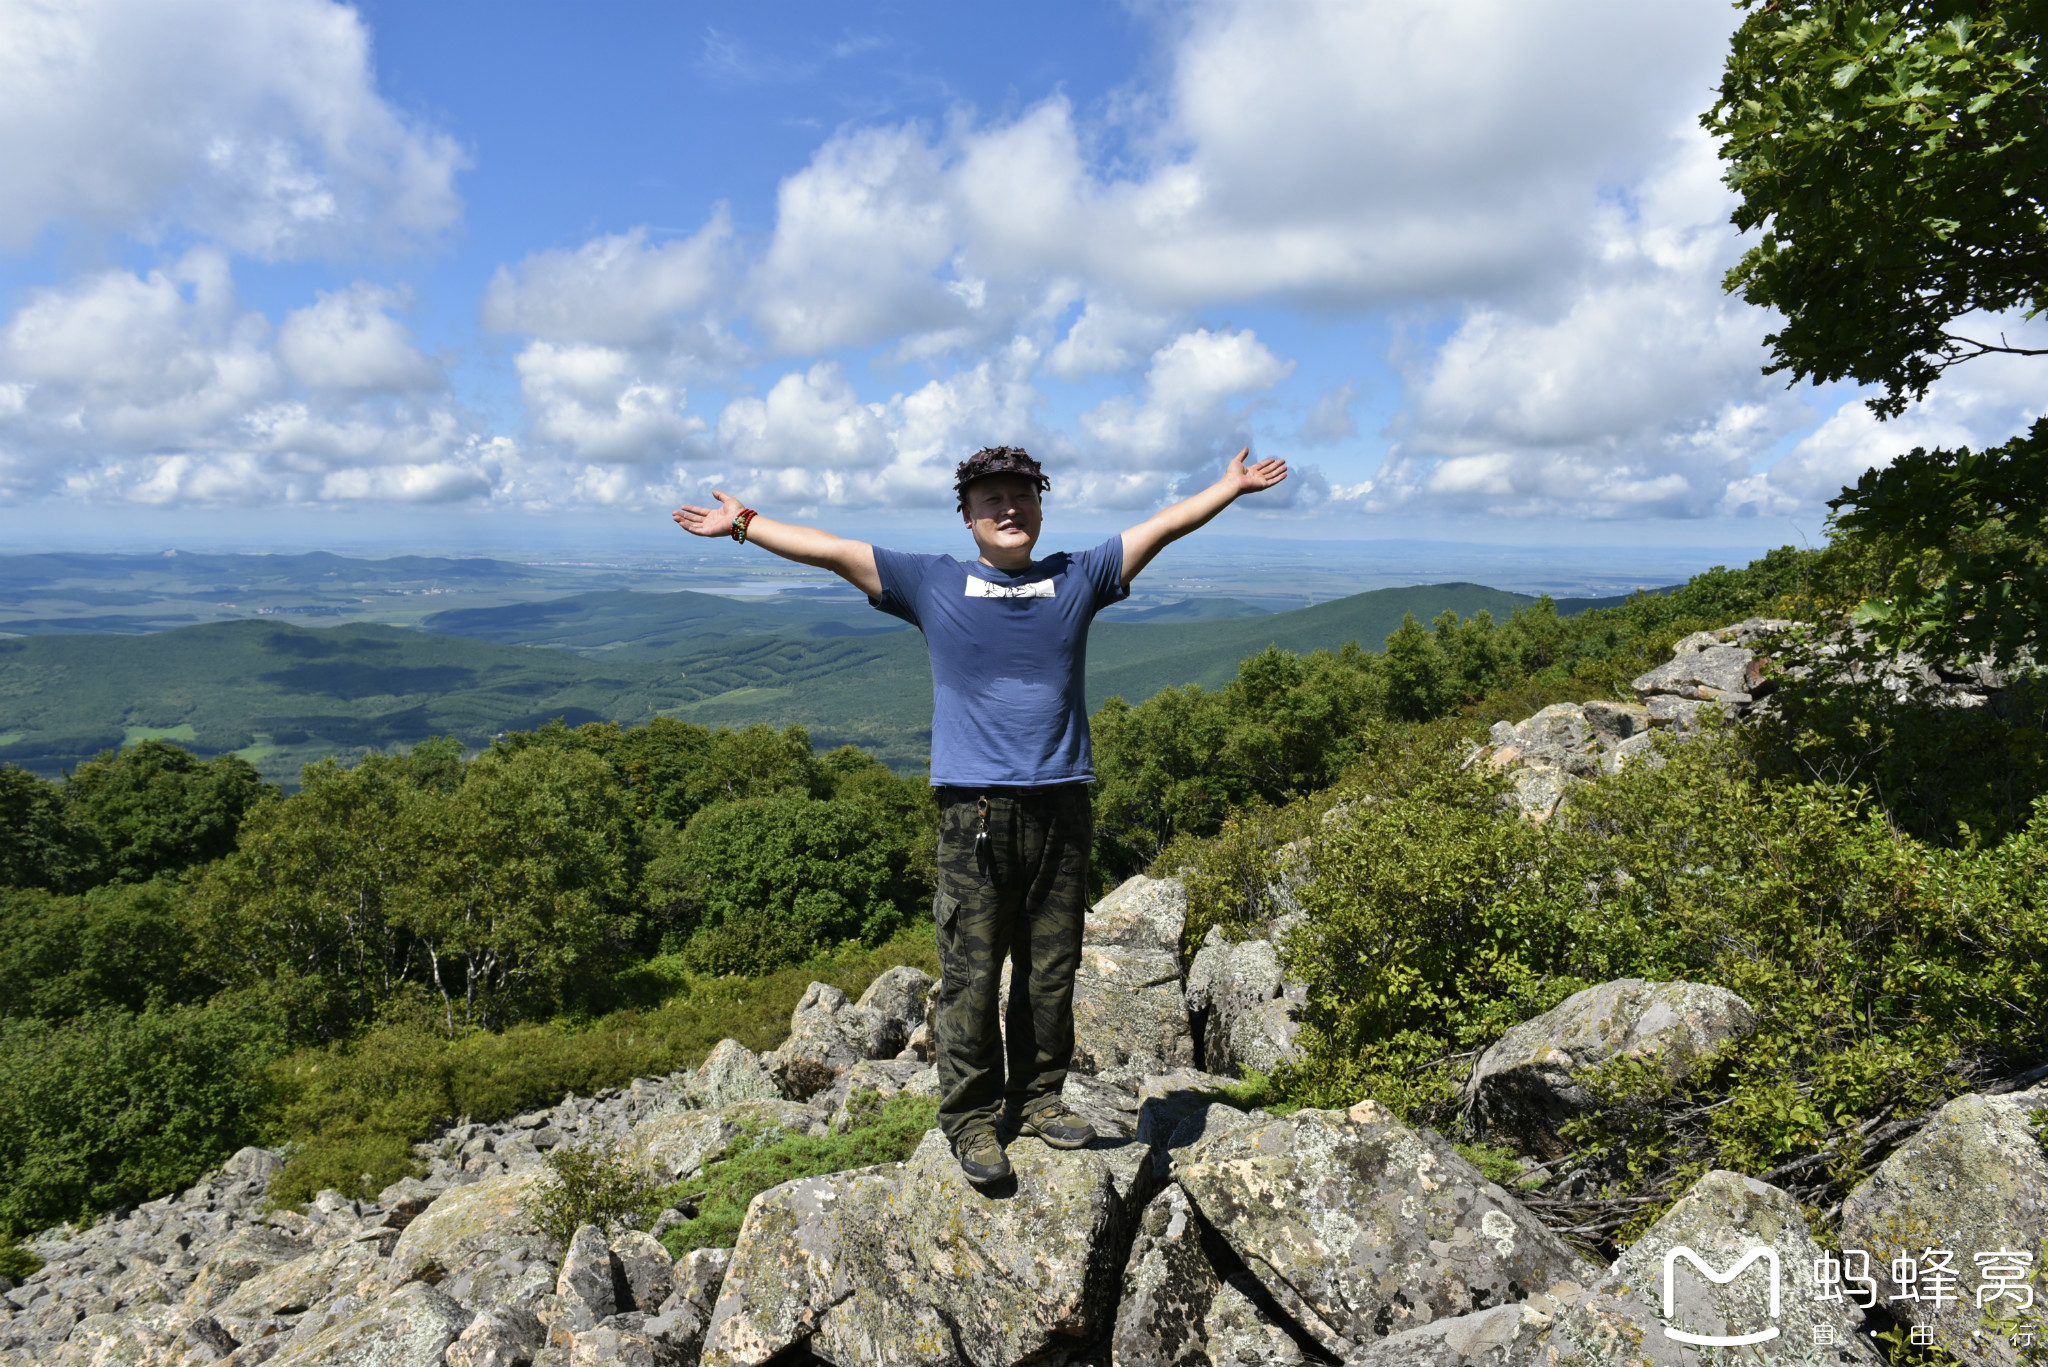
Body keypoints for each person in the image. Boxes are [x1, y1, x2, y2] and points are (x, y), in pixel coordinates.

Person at [672, 444, 1288, 1184]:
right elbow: (833, 551)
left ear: (1039, 506)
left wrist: (1226, 487)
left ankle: (1037, 1099)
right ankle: (968, 1116)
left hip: (1064, 805)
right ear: (966, 514)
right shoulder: (933, 580)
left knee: (1049, 971)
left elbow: (1159, 528)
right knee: (969, 972)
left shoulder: (1076, 575)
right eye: (991, 499)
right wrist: (743, 522)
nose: (1008, 509)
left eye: (1021, 496)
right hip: (975, 813)